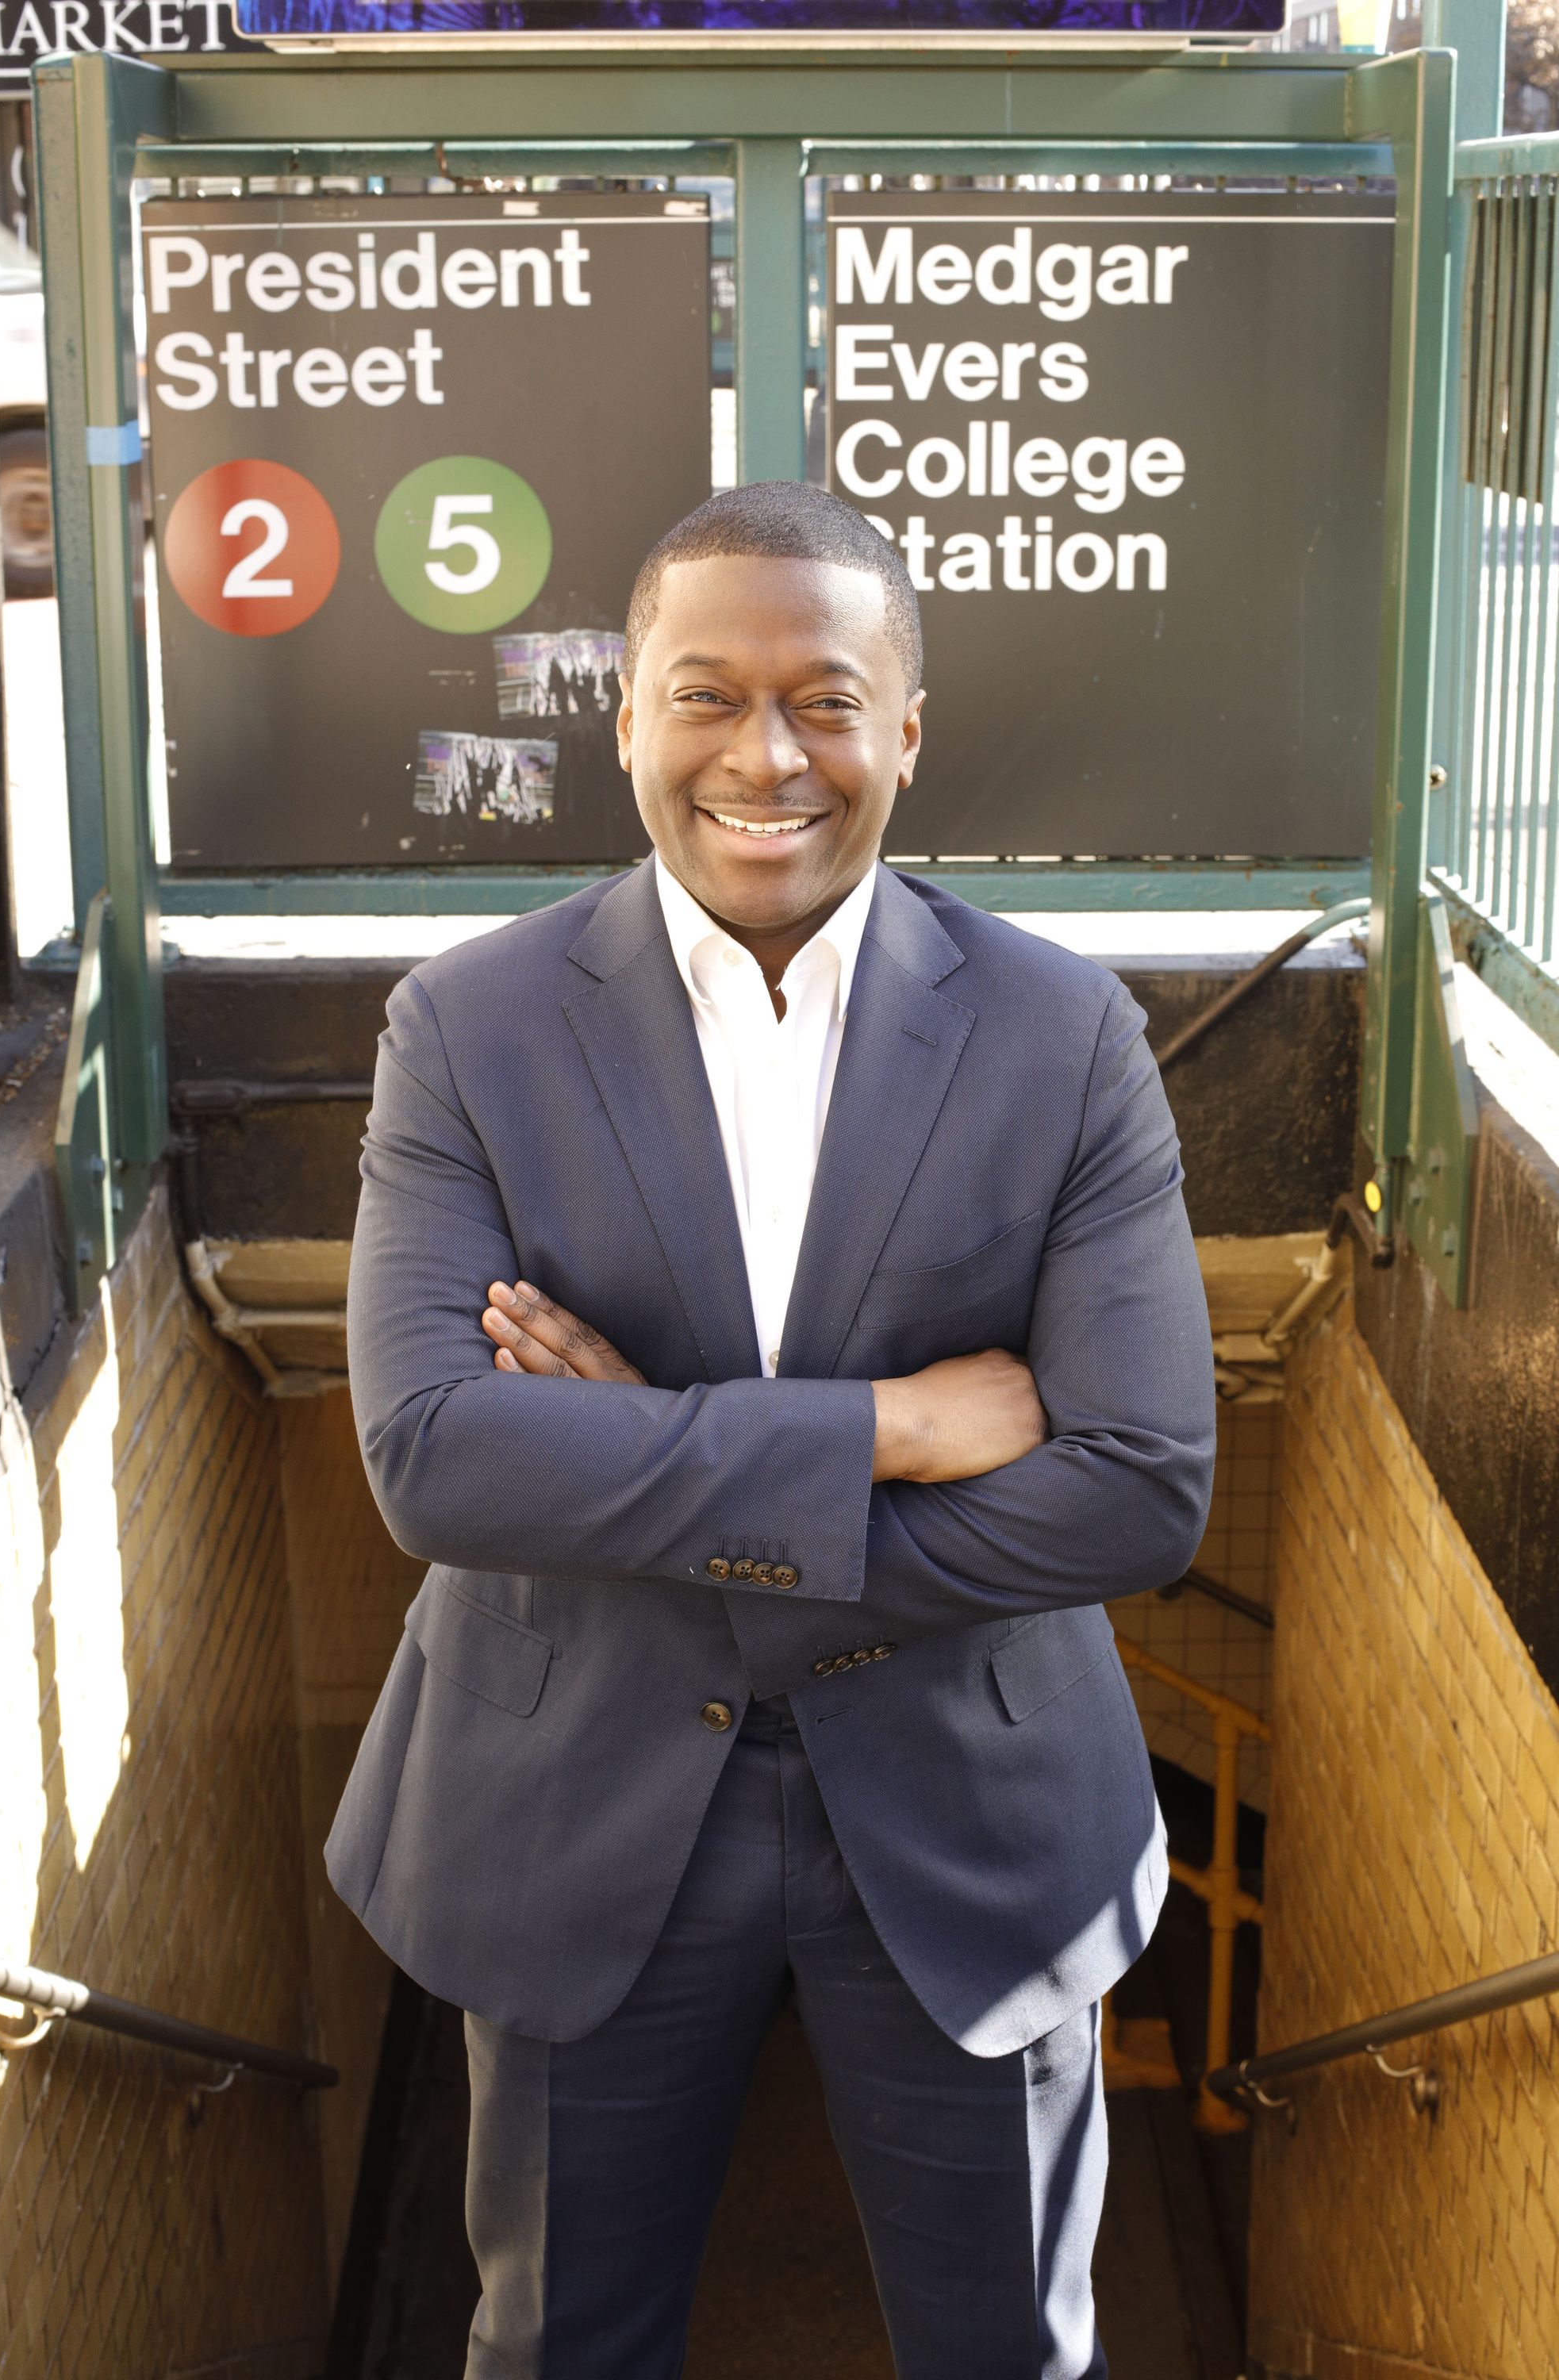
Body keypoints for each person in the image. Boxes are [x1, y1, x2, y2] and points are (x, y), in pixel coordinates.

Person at [328, 481, 1216, 2379]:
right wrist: (888, 1426)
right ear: (626, 716)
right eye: (707, 696)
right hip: (572, 1804)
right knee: (557, 2346)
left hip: (976, 1815)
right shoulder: (466, 1029)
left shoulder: (1065, 1038)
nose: (766, 756)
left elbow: (1137, 1493)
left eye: (826, 701)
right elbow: (434, 1456)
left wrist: (639, 1450)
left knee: (1008, 2353)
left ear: (907, 729)